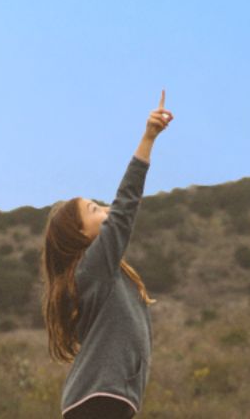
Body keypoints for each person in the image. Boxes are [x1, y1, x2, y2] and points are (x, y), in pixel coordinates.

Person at [41, 90, 174, 418]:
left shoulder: (106, 274)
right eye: (94, 209)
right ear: (81, 235)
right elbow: (126, 207)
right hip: (97, 398)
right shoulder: (90, 269)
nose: (106, 210)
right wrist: (148, 139)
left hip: (108, 399)